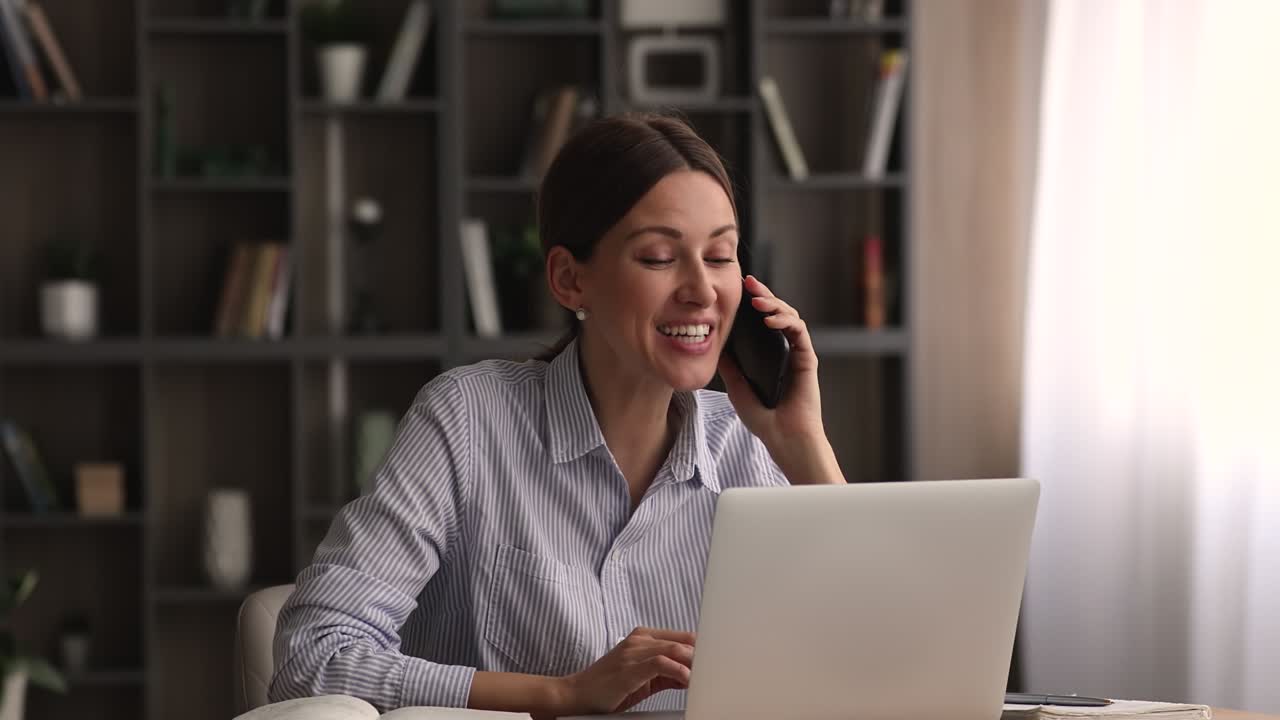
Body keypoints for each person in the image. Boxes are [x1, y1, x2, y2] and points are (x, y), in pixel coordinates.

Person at [269, 113, 847, 718]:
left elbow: (880, 658)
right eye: (658, 257)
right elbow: (312, 657)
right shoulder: (468, 421)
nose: (703, 290)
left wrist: (803, 443)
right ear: (570, 280)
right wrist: (560, 694)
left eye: (721, 255)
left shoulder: (749, 447)